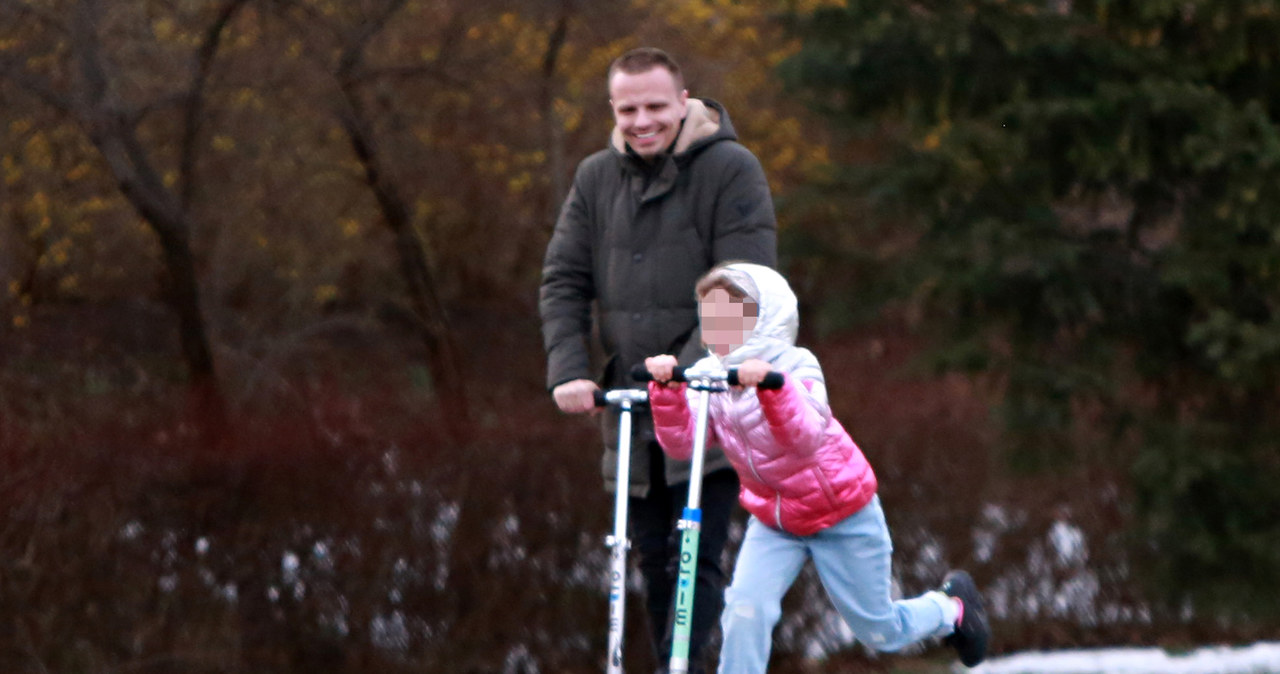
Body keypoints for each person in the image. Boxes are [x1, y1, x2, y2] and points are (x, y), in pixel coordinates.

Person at [539, 48, 777, 673]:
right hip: (630, 413)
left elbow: (743, 283)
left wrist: (688, 371)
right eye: (627, 109)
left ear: (683, 100)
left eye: (654, 107)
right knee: (646, 557)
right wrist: (568, 368)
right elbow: (563, 278)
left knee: (695, 557)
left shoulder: (731, 170)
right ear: (613, 109)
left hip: (710, 407)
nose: (642, 121)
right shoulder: (596, 178)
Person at [643, 262, 991, 673]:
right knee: (744, 610)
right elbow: (685, 444)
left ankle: (950, 609)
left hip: (841, 513)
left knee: (879, 630)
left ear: (759, 318)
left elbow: (805, 437)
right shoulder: (708, 376)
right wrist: (667, 393)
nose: (711, 332)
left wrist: (771, 387)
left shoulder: (797, 366)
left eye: (724, 319)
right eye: (707, 320)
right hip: (775, 520)